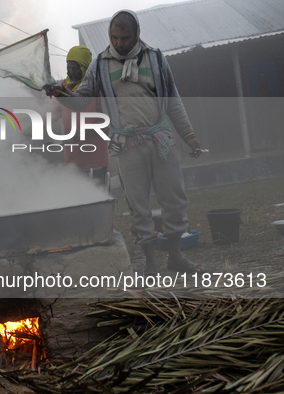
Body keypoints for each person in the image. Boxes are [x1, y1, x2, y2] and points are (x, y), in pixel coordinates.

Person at [47, 10, 203, 275]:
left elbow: (173, 98)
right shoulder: (101, 64)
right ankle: (151, 261)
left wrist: (189, 135)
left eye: (125, 38)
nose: (118, 43)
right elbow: (81, 99)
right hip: (127, 143)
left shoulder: (155, 59)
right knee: (137, 204)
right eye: (114, 37)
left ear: (137, 35)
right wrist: (61, 93)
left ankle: (175, 257)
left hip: (160, 139)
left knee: (174, 199)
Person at [59, 45, 109, 187]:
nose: (71, 71)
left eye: (76, 68)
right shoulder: (64, 86)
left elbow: (108, 121)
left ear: (86, 67)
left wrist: (81, 134)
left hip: (95, 159)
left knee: (97, 198)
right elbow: (54, 110)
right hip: (72, 159)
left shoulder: (97, 88)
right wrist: (31, 128)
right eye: (69, 67)